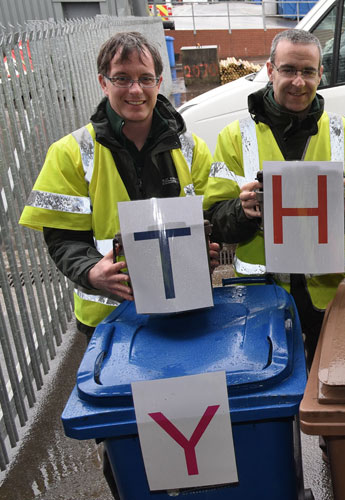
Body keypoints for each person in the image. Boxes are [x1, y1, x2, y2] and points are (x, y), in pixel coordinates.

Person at [19, 31, 216, 337]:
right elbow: (62, 238)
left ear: (159, 83)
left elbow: (211, 216)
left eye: (145, 78)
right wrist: (91, 270)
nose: (135, 90)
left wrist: (207, 248)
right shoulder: (70, 153)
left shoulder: (191, 148)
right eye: (122, 78)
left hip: (183, 305)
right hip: (108, 319)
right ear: (104, 83)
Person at [203, 29, 345, 366]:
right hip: (261, 293)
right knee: (269, 384)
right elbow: (216, 220)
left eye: (308, 71)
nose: (299, 81)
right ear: (270, 70)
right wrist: (242, 210)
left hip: (329, 291)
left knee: (331, 384)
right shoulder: (235, 137)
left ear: (320, 75)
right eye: (288, 70)